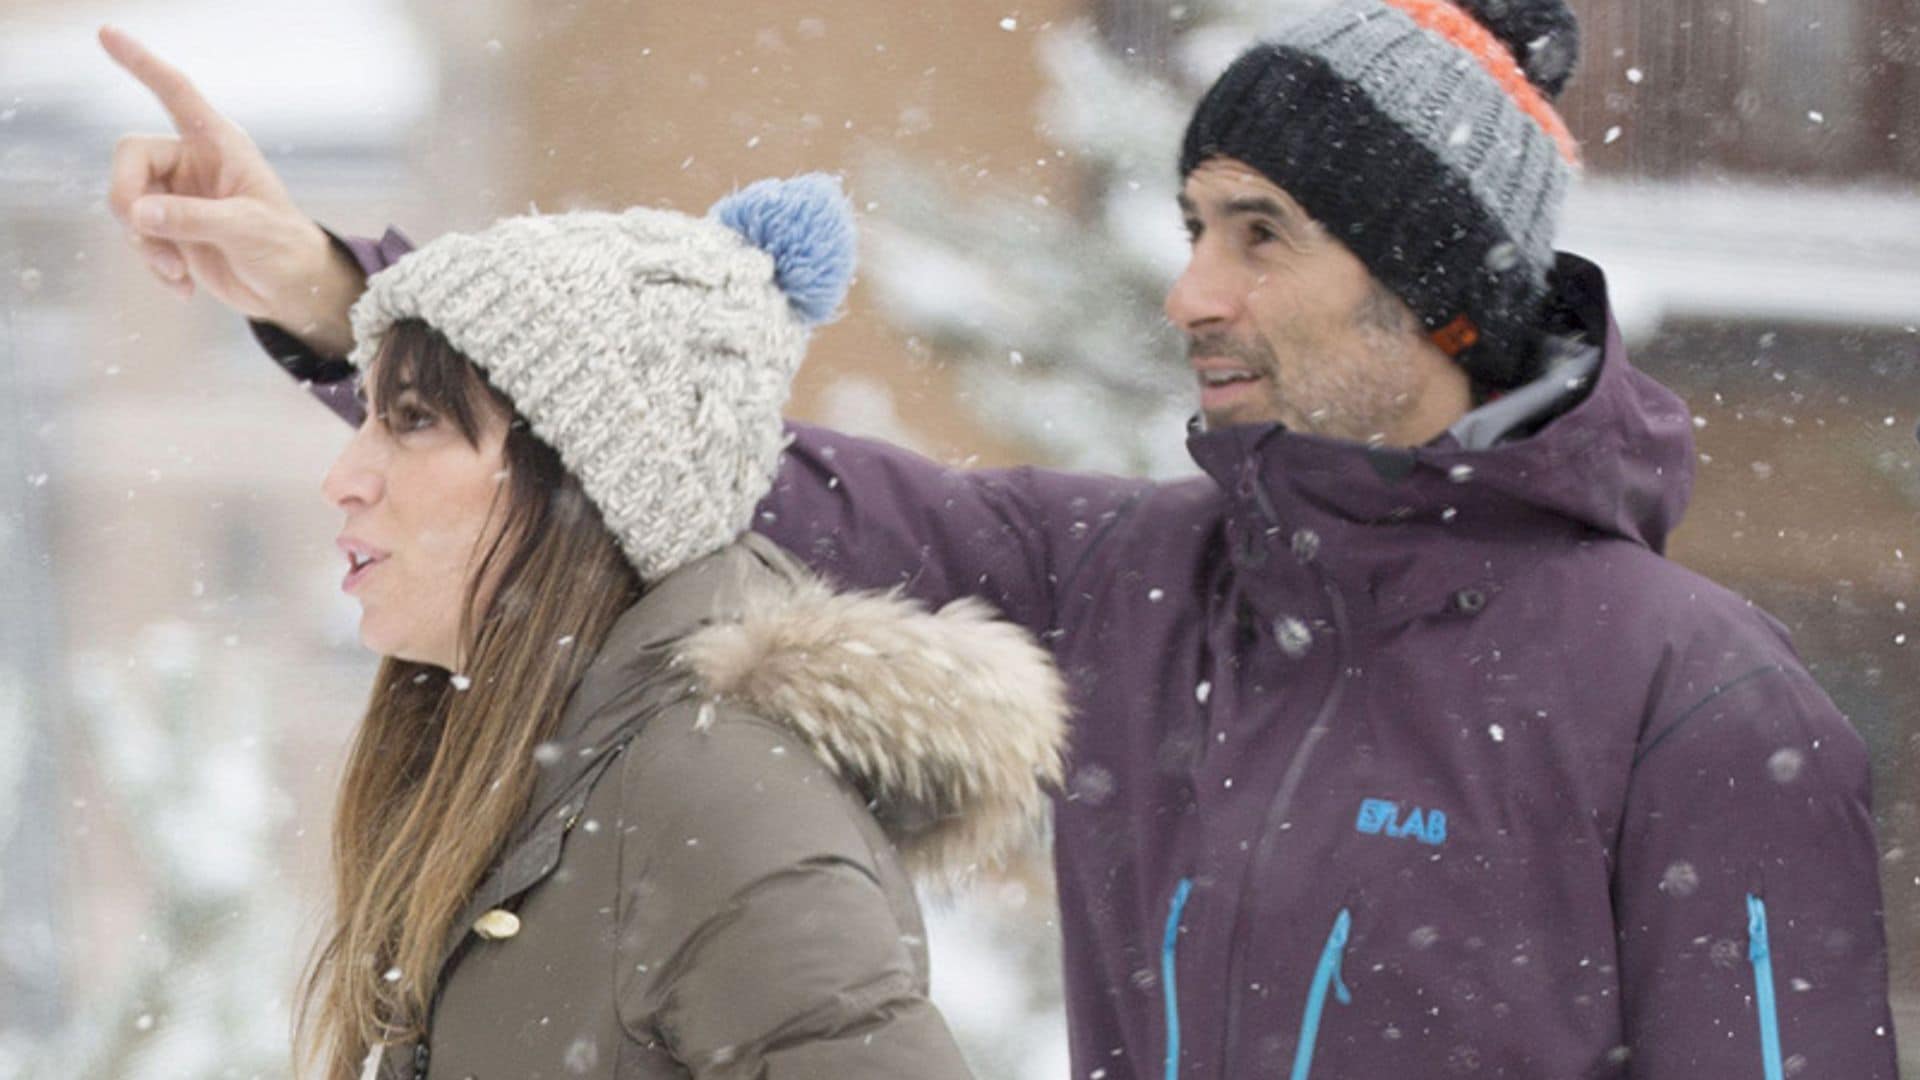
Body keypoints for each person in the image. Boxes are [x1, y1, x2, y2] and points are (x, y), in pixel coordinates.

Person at [103, 0, 1899, 1073]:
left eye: (1261, 233)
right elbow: (669, 455)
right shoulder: (1148, 590)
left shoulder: (1694, 705)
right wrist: (345, 300)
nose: (1193, 285)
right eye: (1194, 222)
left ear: (1436, 289)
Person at [163, 164, 1071, 1078]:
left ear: (582, 487)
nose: (345, 476)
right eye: (367, 417)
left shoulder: (716, 806)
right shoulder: (544, 782)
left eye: (414, 420)